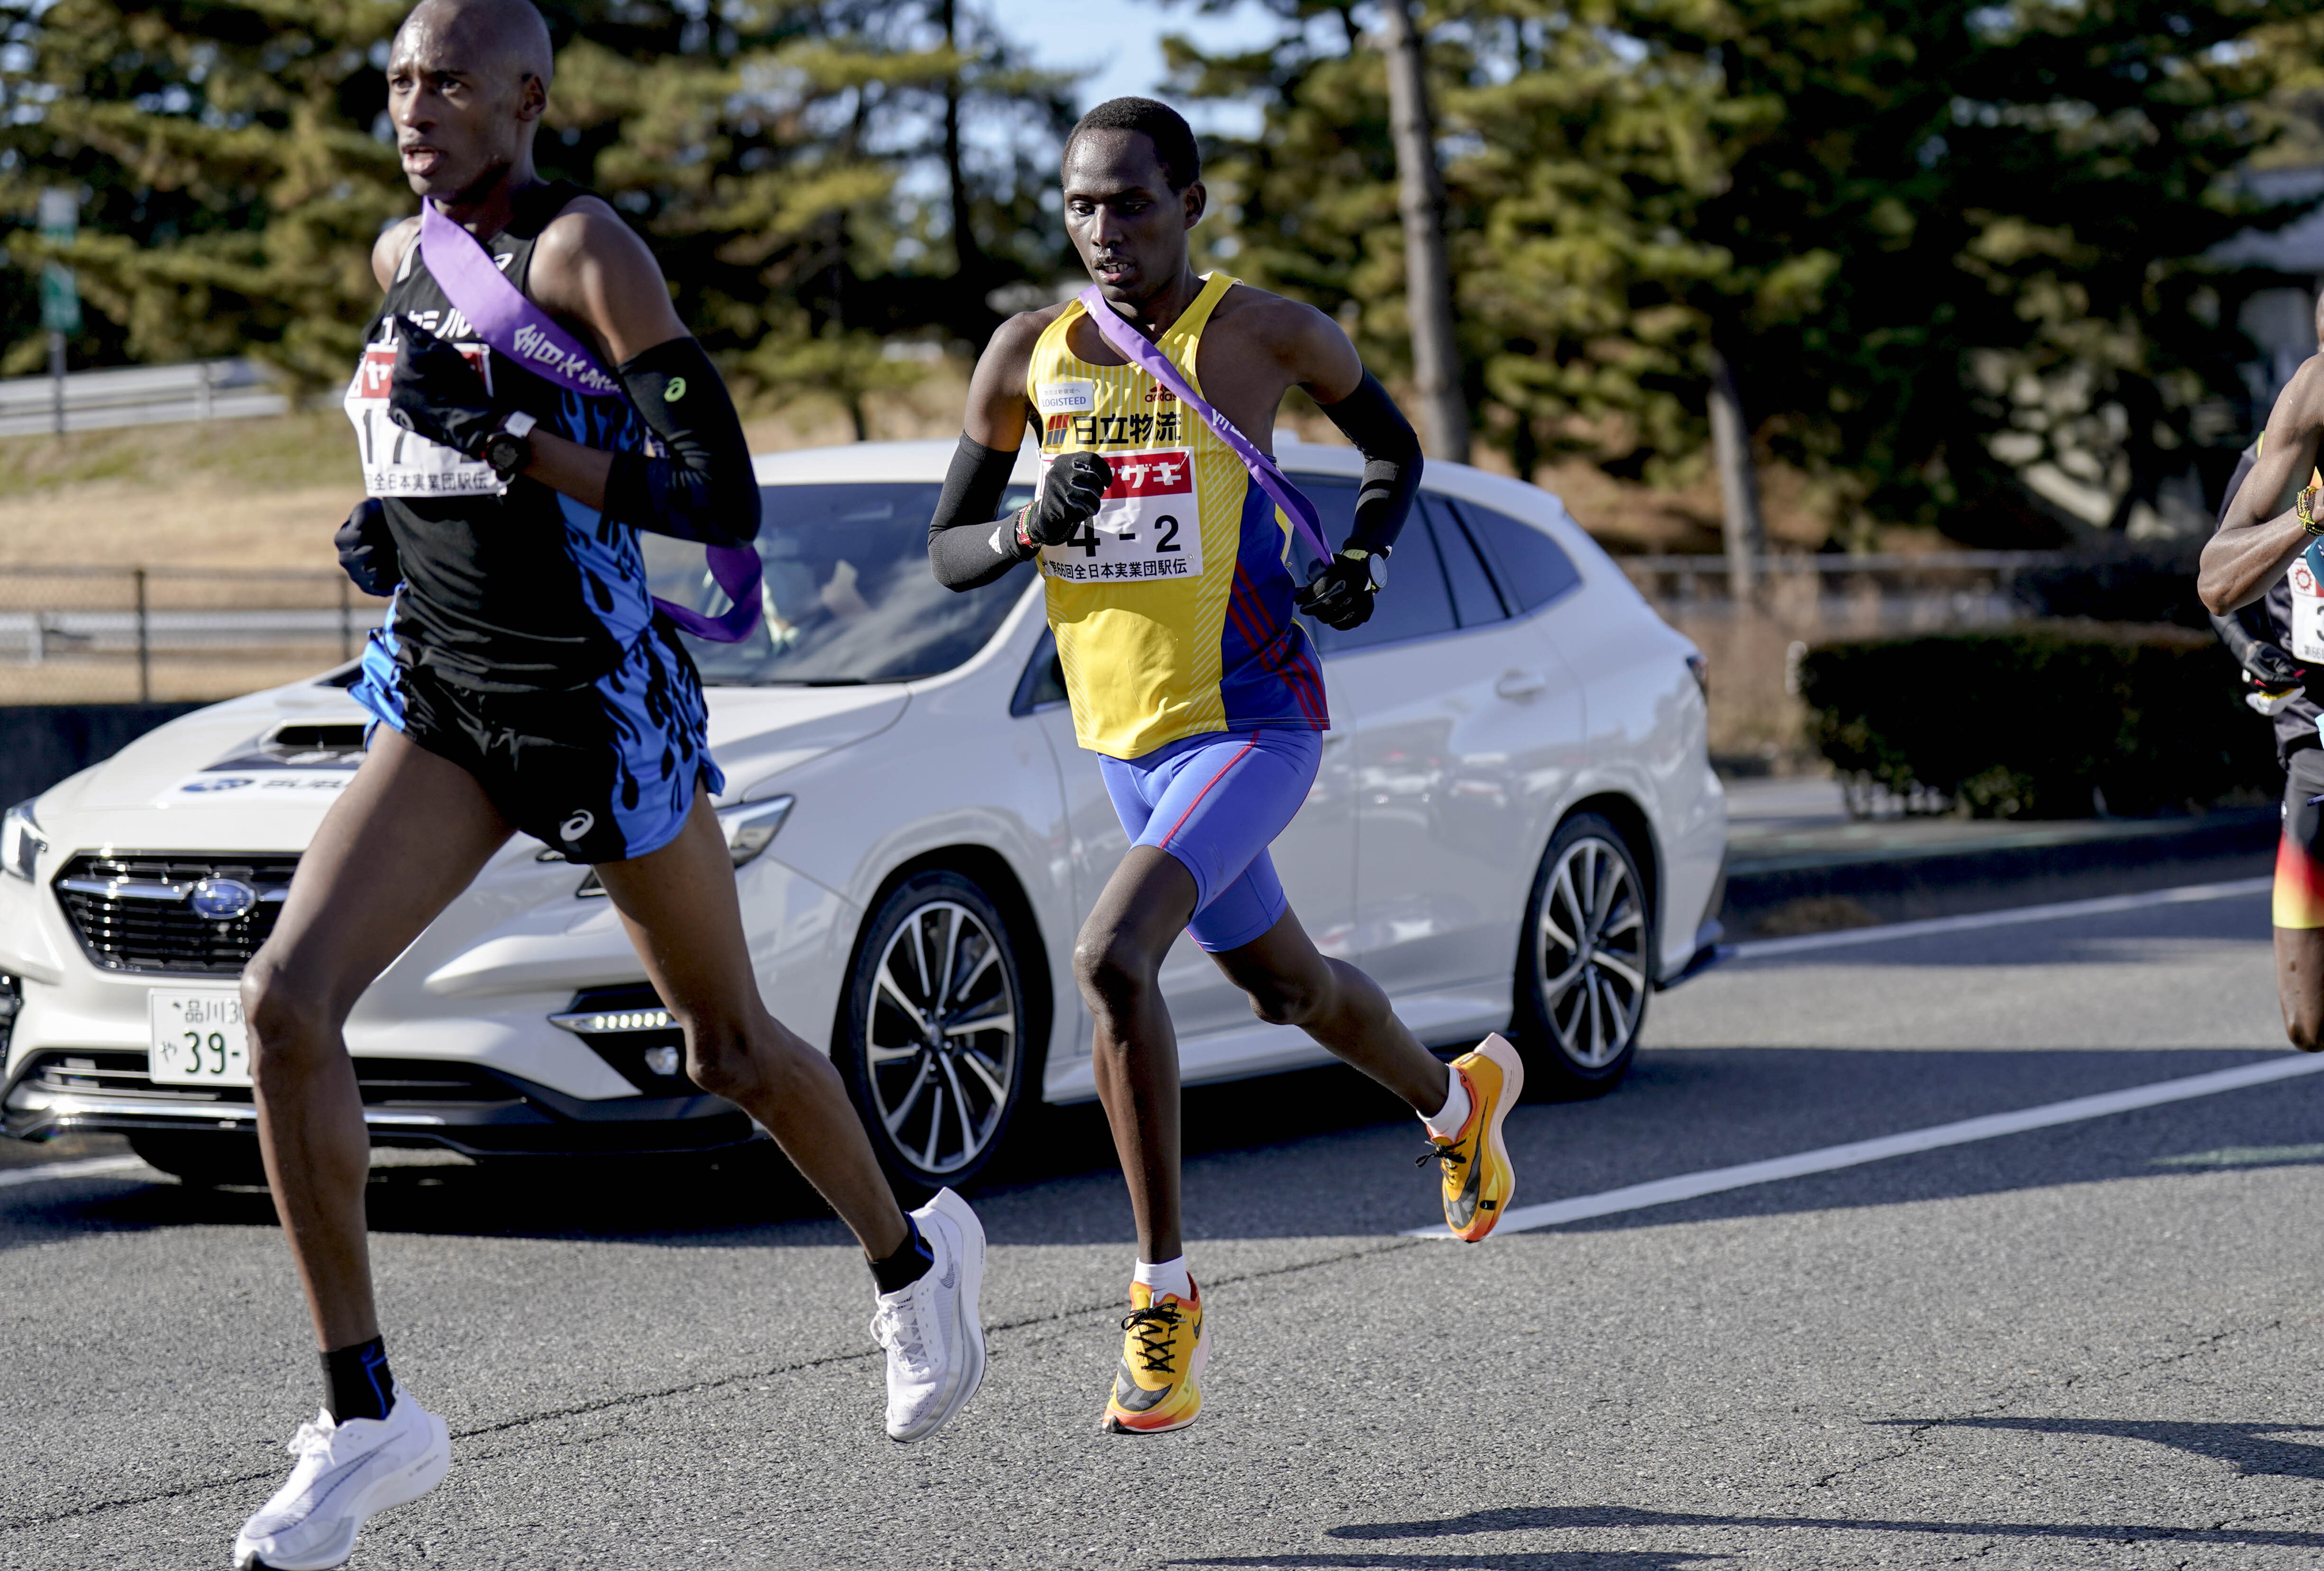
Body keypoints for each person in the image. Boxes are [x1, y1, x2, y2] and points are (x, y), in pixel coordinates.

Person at [234, 4, 986, 1565]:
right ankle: (369, 1414)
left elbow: (719, 493)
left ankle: (914, 1263)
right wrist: (383, 526)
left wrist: (517, 442)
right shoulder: (399, 259)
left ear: (526, 97)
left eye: (444, 81)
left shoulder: (584, 256)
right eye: (394, 81)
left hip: (594, 704)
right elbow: (414, 450)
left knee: (725, 1046)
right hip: (442, 694)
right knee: (286, 1003)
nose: (413, 107)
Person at [928, 97, 1523, 1437]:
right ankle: (1457, 1097)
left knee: (1108, 957)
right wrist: (1028, 521)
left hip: (1254, 718)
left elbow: (1393, 449)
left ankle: (1164, 1299)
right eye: (1081, 205)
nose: (1103, 231)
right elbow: (947, 549)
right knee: (1287, 986)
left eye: (1131, 202)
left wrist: (1364, 556)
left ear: (1192, 202)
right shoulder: (1031, 353)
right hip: (1127, 741)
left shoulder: (1266, 332)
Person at [2201, 291, 2324, 1052]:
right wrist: (2311, 513)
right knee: (2308, 1020)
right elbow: (2217, 583)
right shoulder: (2298, 421)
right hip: (2313, 730)